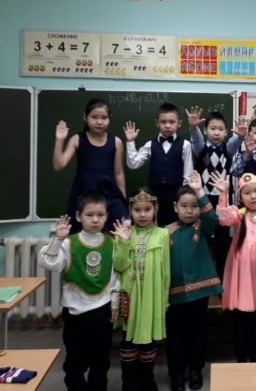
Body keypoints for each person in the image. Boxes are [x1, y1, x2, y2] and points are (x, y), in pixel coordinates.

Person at [39, 192, 120, 391]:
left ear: (107, 216)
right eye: (89, 215)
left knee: (101, 360)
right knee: (75, 360)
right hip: (75, 313)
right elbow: (48, 262)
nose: (95, 220)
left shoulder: (112, 243)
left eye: (100, 215)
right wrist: (58, 239)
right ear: (78, 216)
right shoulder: (69, 243)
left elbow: (115, 277)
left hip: (102, 311)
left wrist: (115, 303)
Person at [212, 171, 256, 363]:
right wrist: (223, 193)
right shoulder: (238, 216)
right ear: (240, 197)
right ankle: (241, 358)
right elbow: (224, 219)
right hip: (242, 276)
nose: (253, 196)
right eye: (247, 193)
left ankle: (255, 358)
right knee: (241, 318)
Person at [166, 171, 222, 391]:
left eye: (194, 206)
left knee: (197, 333)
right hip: (174, 293)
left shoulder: (202, 226)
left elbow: (213, 219)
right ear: (175, 207)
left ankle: (195, 369)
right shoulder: (166, 232)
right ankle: (177, 373)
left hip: (200, 292)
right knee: (175, 335)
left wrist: (199, 191)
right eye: (184, 206)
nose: (189, 211)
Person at [113, 188, 170, 391]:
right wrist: (123, 242)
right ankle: (129, 383)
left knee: (148, 343)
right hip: (130, 295)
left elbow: (166, 271)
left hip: (152, 296)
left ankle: (147, 381)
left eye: (147, 209)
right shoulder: (124, 233)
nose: (143, 214)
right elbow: (119, 266)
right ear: (130, 210)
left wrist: (164, 300)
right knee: (128, 341)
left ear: (156, 209)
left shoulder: (163, 234)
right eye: (137, 210)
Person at [185, 106, 246, 279]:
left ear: (226, 132)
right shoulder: (200, 148)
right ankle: (201, 274)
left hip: (222, 199)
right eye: (212, 129)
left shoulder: (227, 149)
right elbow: (196, 140)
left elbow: (235, 143)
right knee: (201, 234)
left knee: (222, 238)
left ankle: (222, 275)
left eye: (220, 129)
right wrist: (193, 127)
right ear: (205, 131)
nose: (217, 132)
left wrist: (240, 137)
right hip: (203, 198)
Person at [53, 98, 128, 233]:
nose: (99, 122)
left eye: (104, 118)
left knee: (120, 225)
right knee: (80, 230)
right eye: (94, 117)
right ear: (85, 117)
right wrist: (59, 140)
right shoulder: (77, 139)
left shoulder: (116, 142)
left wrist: (123, 197)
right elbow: (59, 165)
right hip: (84, 192)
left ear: (110, 118)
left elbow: (119, 173)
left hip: (109, 192)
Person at [124, 102, 193, 226]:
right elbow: (133, 164)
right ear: (157, 123)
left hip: (176, 192)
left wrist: (184, 195)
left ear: (179, 123)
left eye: (171, 122)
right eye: (163, 122)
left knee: (174, 224)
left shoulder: (185, 144)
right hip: (154, 193)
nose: (167, 125)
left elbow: (188, 173)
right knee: (155, 223)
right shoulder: (150, 144)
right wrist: (130, 142)